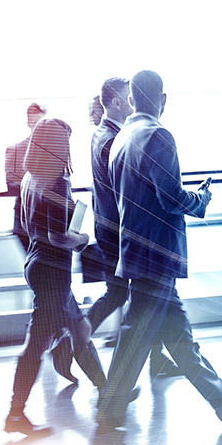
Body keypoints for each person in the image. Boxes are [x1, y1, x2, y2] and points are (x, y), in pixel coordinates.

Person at [96, 71, 222, 445]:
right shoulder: (157, 135)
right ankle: (108, 411)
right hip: (157, 254)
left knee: (177, 335)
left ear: (132, 99)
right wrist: (201, 200)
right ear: (162, 99)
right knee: (136, 336)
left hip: (135, 251)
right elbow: (169, 197)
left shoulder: (120, 140)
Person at [52, 77, 181, 383]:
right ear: (119, 102)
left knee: (135, 294)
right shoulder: (113, 138)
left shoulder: (105, 134)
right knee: (122, 293)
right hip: (121, 231)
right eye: (129, 97)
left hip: (113, 228)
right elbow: (129, 189)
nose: (135, 102)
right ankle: (69, 344)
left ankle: (157, 359)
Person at [4, 118, 108, 436]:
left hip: (38, 264)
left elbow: (28, 227)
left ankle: (110, 392)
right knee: (36, 343)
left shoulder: (29, 179)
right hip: (53, 270)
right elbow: (60, 237)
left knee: (79, 328)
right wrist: (84, 239)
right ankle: (15, 413)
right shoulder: (57, 182)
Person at [4, 102, 46, 252]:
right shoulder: (15, 150)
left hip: (51, 220)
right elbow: (12, 186)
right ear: (28, 121)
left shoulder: (57, 150)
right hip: (28, 220)